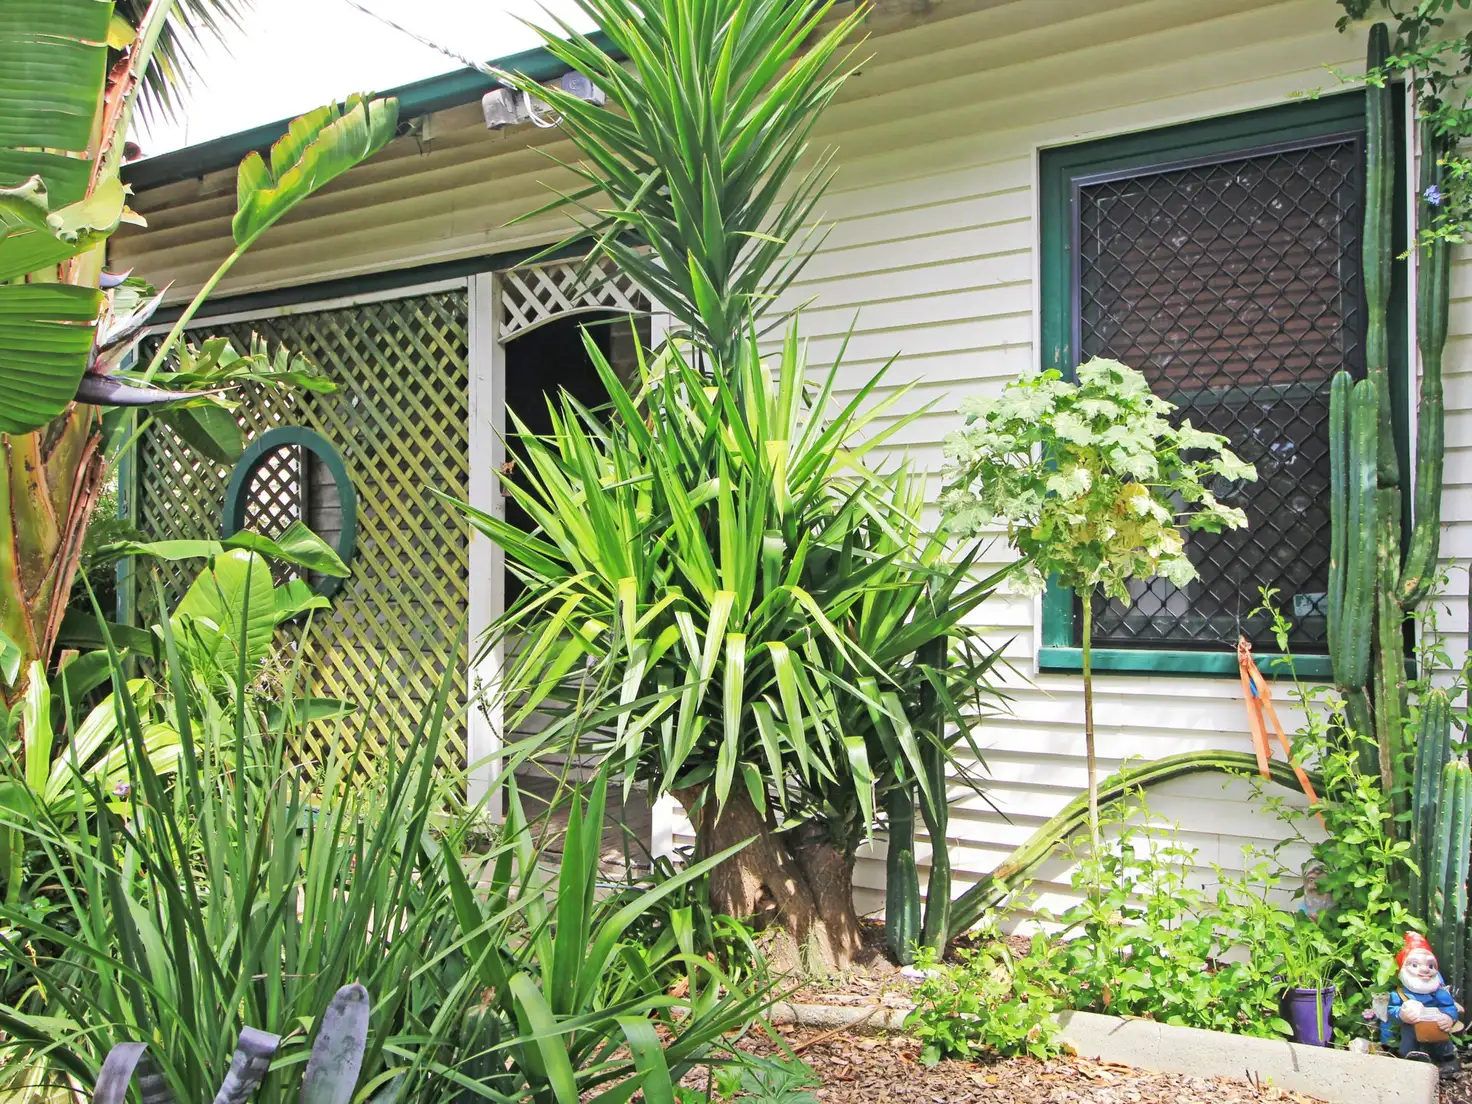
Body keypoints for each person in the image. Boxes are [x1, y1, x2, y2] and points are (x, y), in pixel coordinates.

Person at [1380, 932, 1463, 1077]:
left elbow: (1450, 1007)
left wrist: (1449, 1017)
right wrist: (1401, 1014)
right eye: (1415, 965)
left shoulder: (1439, 993)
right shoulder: (1399, 995)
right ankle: (1412, 1061)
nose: (1425, 969)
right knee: (1410, 1042)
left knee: (1442, 1045)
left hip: (1437, 1031)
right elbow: (1390, 1012)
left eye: (1431, 965)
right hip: (1412, 1033)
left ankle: (1447, 1062)